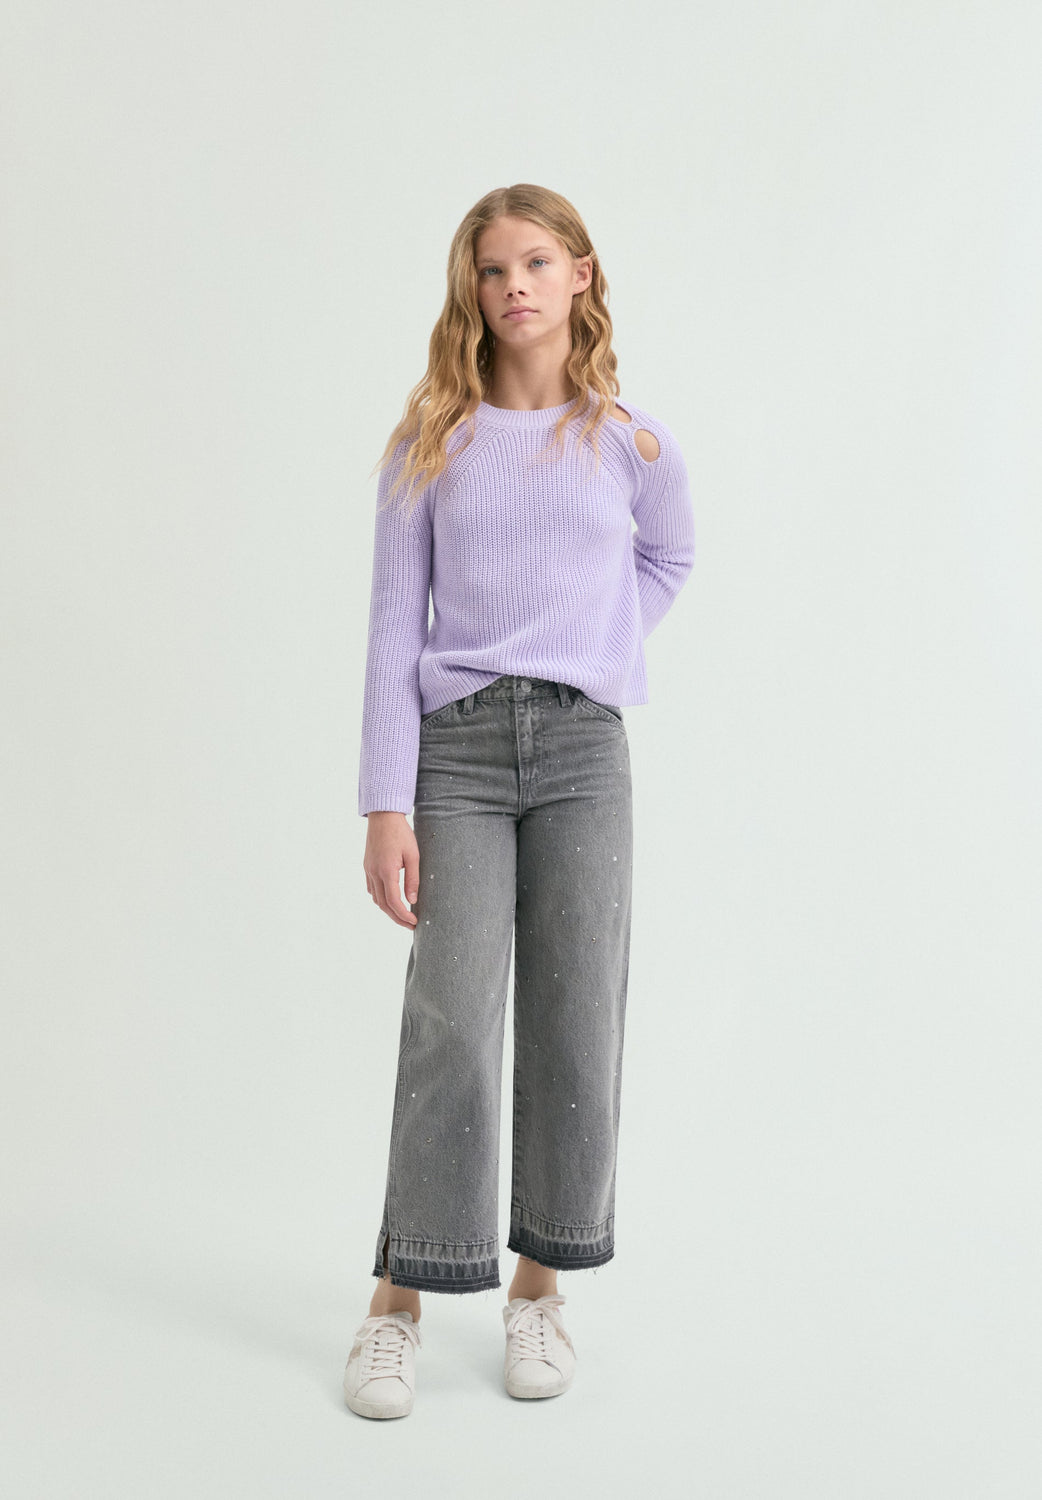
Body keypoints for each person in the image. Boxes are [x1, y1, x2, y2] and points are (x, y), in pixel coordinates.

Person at [343, 184, 696, 1419]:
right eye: (492, 270)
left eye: (536, 263)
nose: (514, 288)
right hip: (457, 754)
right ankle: (397, 1301)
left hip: (585, 751)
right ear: (472, 290)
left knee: (573, 1011)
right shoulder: (430, 441)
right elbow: (394, 628)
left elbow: (670, 557)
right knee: (449, 1015)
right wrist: (384, 802)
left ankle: (539, 1289)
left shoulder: (630, 443)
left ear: (580, 275)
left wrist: (598, 642)